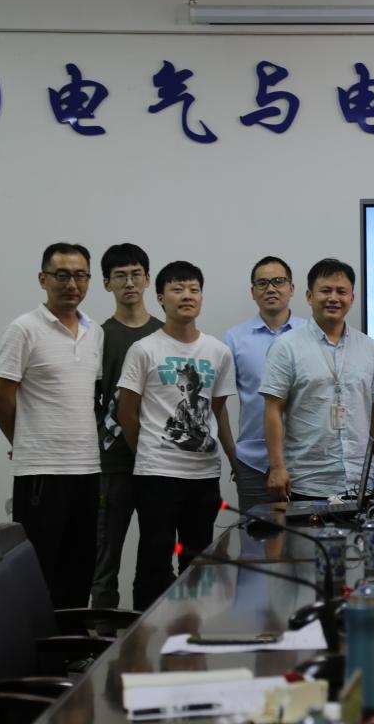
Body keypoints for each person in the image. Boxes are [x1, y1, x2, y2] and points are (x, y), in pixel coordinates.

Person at [117, 261, 237, 609]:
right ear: (160, 298)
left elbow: (217, 411)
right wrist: (147, 452)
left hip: (204, 476)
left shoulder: (218, 351)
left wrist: (231, 456)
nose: (187, 296)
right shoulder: (144, 349)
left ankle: (190, 628)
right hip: (157, 475)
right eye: (177, 289)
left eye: (194, 289)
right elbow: (127, 413)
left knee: (198, 562)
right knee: (154, 561)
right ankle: (146, 633)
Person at [0, 242, 103, 609]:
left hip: (87, 468)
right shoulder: (24, 329)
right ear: (43, 279)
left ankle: (72, 640)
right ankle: (36, 642)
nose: (72, 284)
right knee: (39, 568)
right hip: (42, 470)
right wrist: (22, 440)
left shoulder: (94, 332)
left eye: (80, 275)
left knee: (80, 565)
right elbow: (0, 397)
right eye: (62, 275)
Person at [261, 259, 374, 501]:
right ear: (309, 296)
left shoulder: (371, 349)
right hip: (305, 482)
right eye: (325, 290)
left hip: (360, 482)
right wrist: (277, 467)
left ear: (352, 298)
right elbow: (273, 408)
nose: (333, 298)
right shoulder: (286, 347)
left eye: (341, 291)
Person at [91, 243, 163, 615]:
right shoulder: (97, 336)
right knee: (106, 552)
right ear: (107, 283)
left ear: (148, 279)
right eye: (120, 276)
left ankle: (149, 623)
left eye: (136, 274)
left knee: (157, 552)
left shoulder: (165, 334)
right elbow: (90, 400)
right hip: (113, 463)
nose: (130, 282)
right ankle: (102, 631)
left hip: (159, 465)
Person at [223, 256, 304, 512]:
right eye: (262, 283)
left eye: (278, 281)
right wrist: (233, 455)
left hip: (304, 460)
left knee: (307, 535)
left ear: (291, 288)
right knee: (256, 535)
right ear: (252, 292)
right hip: (253, 462)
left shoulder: (311, 333)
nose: (271, 289)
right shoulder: (234, 339)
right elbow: (217, 403)